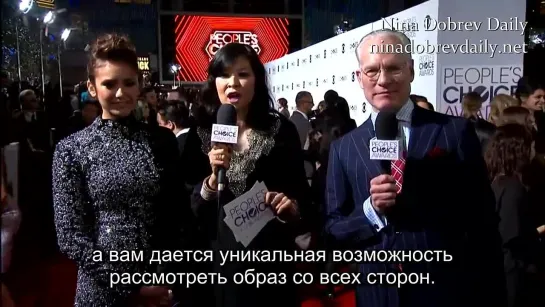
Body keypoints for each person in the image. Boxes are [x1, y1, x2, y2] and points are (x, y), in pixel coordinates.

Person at [324, 29, 505, 307]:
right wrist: (371, 211)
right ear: (359, 78)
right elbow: (335, 228)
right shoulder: (344, 148)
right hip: (376, 294)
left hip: (444, 291)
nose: (383, 80)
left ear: (410, 70)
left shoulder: (453, 132)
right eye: (372, 71)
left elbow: (483, 223)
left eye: (393, 68)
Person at [52, 34, 193, 306]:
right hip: (101, 291)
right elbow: (70, 235)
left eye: (128, 83)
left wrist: (167, 277)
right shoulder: (71, 150)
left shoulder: (161, 141)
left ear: (139, 84)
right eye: (109, 84)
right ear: (92, 88)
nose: (120, 93)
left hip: (161, 285)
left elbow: (178, 215)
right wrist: (130, 287)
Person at [190, 43, 310, 307]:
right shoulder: (197, 133)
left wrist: (290, 207)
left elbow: (301, 193)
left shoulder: (282, 130)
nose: (234, 83)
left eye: (243, 74)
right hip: (216, 265)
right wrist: (211, 181)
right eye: (225, 75)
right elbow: (187, 209)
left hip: (270, 262)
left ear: (257, 80)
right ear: (214, 82)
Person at [485, 124, 545, 307]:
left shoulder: (496, 181)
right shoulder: (513, 188)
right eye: (531, 146)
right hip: (511, 273)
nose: (534, 151)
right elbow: (512, 237)